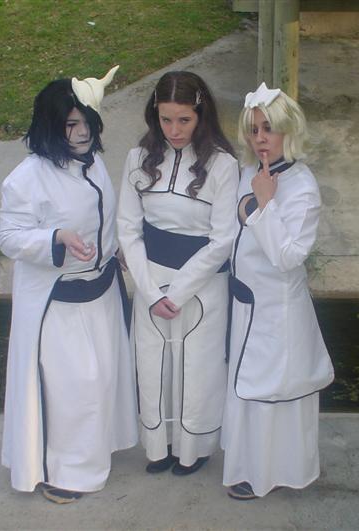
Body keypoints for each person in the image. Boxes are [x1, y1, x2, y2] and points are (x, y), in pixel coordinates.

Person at [0, 66, 138, 505]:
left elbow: (101, 217)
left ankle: (96, 449)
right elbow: (8, 237)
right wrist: (55, 238)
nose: (82, 133)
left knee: (105, 377)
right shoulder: (26, 179)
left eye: (87, 123)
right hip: (58, 302)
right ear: (51, 125)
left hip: (102, 293)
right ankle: (66, 470)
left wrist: (115, 249)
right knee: (76, 386)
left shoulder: (93, 164)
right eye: (71, 124)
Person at [117, 71, 239, 476]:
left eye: (184, 120)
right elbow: (128, 229)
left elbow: (223, 239)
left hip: (201, 286)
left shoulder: (222, 165)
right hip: (150, 281)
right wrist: (151, 292)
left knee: (197, 368)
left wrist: (179, 291)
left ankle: (194, 448)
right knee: (154, 365)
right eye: (166, 119)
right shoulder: (138, 159)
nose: (174, 130)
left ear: (201, 115)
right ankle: (161, 445)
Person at [221, 83, 335, 500]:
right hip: (245, 304)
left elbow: (288, 256)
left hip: (276, 311)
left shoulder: (302, 186)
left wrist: (263, 204)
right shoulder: (250, 173)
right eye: (254, 130)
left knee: (273, 392)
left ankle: (269, 472)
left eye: (269, 128)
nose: (261, 138)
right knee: (248, 388)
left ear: (289, 130)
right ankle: (246, 462)